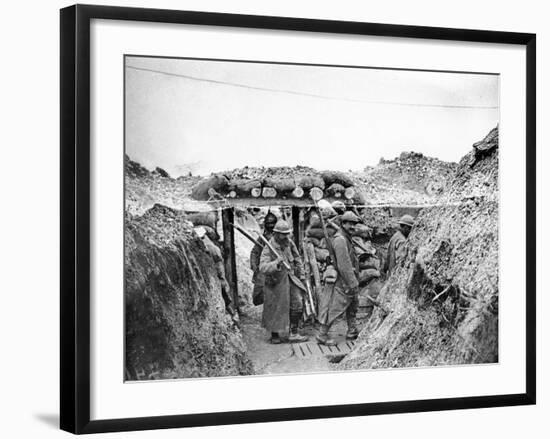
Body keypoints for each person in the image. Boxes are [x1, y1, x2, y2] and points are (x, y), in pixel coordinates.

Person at [259, 220, 309, 344]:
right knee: (274, 308)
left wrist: (301, 275)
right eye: (283, 234)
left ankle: (294, 332)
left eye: (287, 233)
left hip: (290, 279)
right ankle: (275, 334)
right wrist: (276, 263)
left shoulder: (289, 243)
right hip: (275, 283)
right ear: (276, 234)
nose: (286, 236)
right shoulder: (268, 247)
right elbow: (263, 267)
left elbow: (297, 258)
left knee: (297, 302)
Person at [316, 211, 362, 345]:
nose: (352, 227)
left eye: (354, 224)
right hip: (343, 280)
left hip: (348, 278)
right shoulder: (340, 240)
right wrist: (352, 282)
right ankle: (322, 334)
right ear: (343, 224)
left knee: (353, 303)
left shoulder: (346, 238)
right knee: (335, 307)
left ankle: (352, 330)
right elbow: (344, 265)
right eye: (350, 224)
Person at [195, 226, 239, 323]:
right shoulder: (207, 245)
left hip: (216, 271)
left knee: (224, 291)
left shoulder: (211, 248)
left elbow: (218, 263)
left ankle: (231, 314)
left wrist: (220, 276)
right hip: (212, 273)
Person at [250, 211, 278, 305]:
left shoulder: (280, 237)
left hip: (277, 268)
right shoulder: (262, 238)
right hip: (264, 268)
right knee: (259, 293)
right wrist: (255, 267)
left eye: (272, 223)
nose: (270, 225)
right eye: (268, 223)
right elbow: (254, 252)